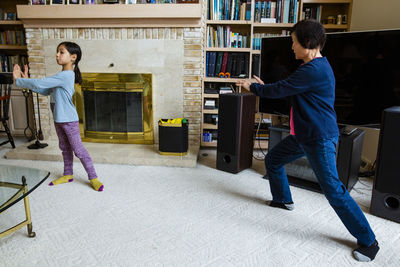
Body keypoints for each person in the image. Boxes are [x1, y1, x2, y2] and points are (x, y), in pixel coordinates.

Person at [236, 19, 379, 262]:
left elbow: (282, 89)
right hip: (304, 134)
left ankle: (369, 241)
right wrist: (265, 87)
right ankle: (283, 200)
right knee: (273, 160)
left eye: (294, 42)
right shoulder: (313, 67)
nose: (292, 47)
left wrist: (254, 88)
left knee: (333, 190)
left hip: (318, 138)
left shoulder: (314, 70)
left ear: (309, 43)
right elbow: (286, 88)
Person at [13, 41, 104, 192]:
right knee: (65, 148)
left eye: (61, 52)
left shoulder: (67, 75)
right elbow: (46, 91)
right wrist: (27, 82)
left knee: (78, 150)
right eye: (57, 51)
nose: (57, 54)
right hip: (59, 119)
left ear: (73, 57)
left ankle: (93, 177)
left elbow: (41, 83)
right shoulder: (61, 76)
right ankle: (68, 174)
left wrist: (19, 81)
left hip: (69, 120)